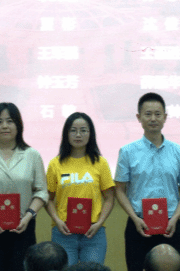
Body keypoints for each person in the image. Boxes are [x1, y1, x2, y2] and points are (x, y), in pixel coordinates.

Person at [115, 92, 180, 271]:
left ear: (165, 117)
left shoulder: (178, 152)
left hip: (170, 225)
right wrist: (134, 218)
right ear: (139, 117)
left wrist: (175, 218)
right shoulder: (127, 152)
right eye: (148, 114)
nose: (153, 118)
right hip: (138, 224)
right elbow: (119, 190)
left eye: (158, 114)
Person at [0, 102, 48, 271]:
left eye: (10, 121)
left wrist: (28, 217)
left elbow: (41, 191)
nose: (4, 126)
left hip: (23, 228)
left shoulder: (32, 155)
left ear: (18, 125)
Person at [46, 112, 115, 265]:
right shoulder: (55, 164)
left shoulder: (101, 163)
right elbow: (48, 199)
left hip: (93, 233)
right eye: (73, 130)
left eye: (83, 130)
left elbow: (110, 198)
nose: (78, 135)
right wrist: (57, 221)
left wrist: (99, 223)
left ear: (91, 134)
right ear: (66, 134)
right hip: (63, 232)